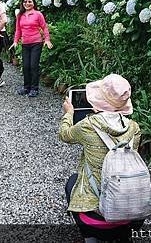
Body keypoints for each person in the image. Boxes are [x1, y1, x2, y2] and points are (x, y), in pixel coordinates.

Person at [59, 74, 144, 243]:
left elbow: (64, 135)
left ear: (97, 103)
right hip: (130, 214)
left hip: (93, 221)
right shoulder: (134, 128)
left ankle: (90, 238)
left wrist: (69, 114)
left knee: (72, 182)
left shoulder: (88, 125)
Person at [8, 0, 52, 97]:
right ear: (22, 3)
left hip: (36, 43)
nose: (27, 3)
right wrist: (15, 41)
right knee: (26, 66)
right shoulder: (20, 15)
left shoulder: (38, 14)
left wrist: (47, 40)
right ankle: (26, 87)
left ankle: (34, 88)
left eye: (30, 2)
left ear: (33, 3)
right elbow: (18, 30)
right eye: (25, 2)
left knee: (33, 66)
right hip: (25, 44)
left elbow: (44, 27)